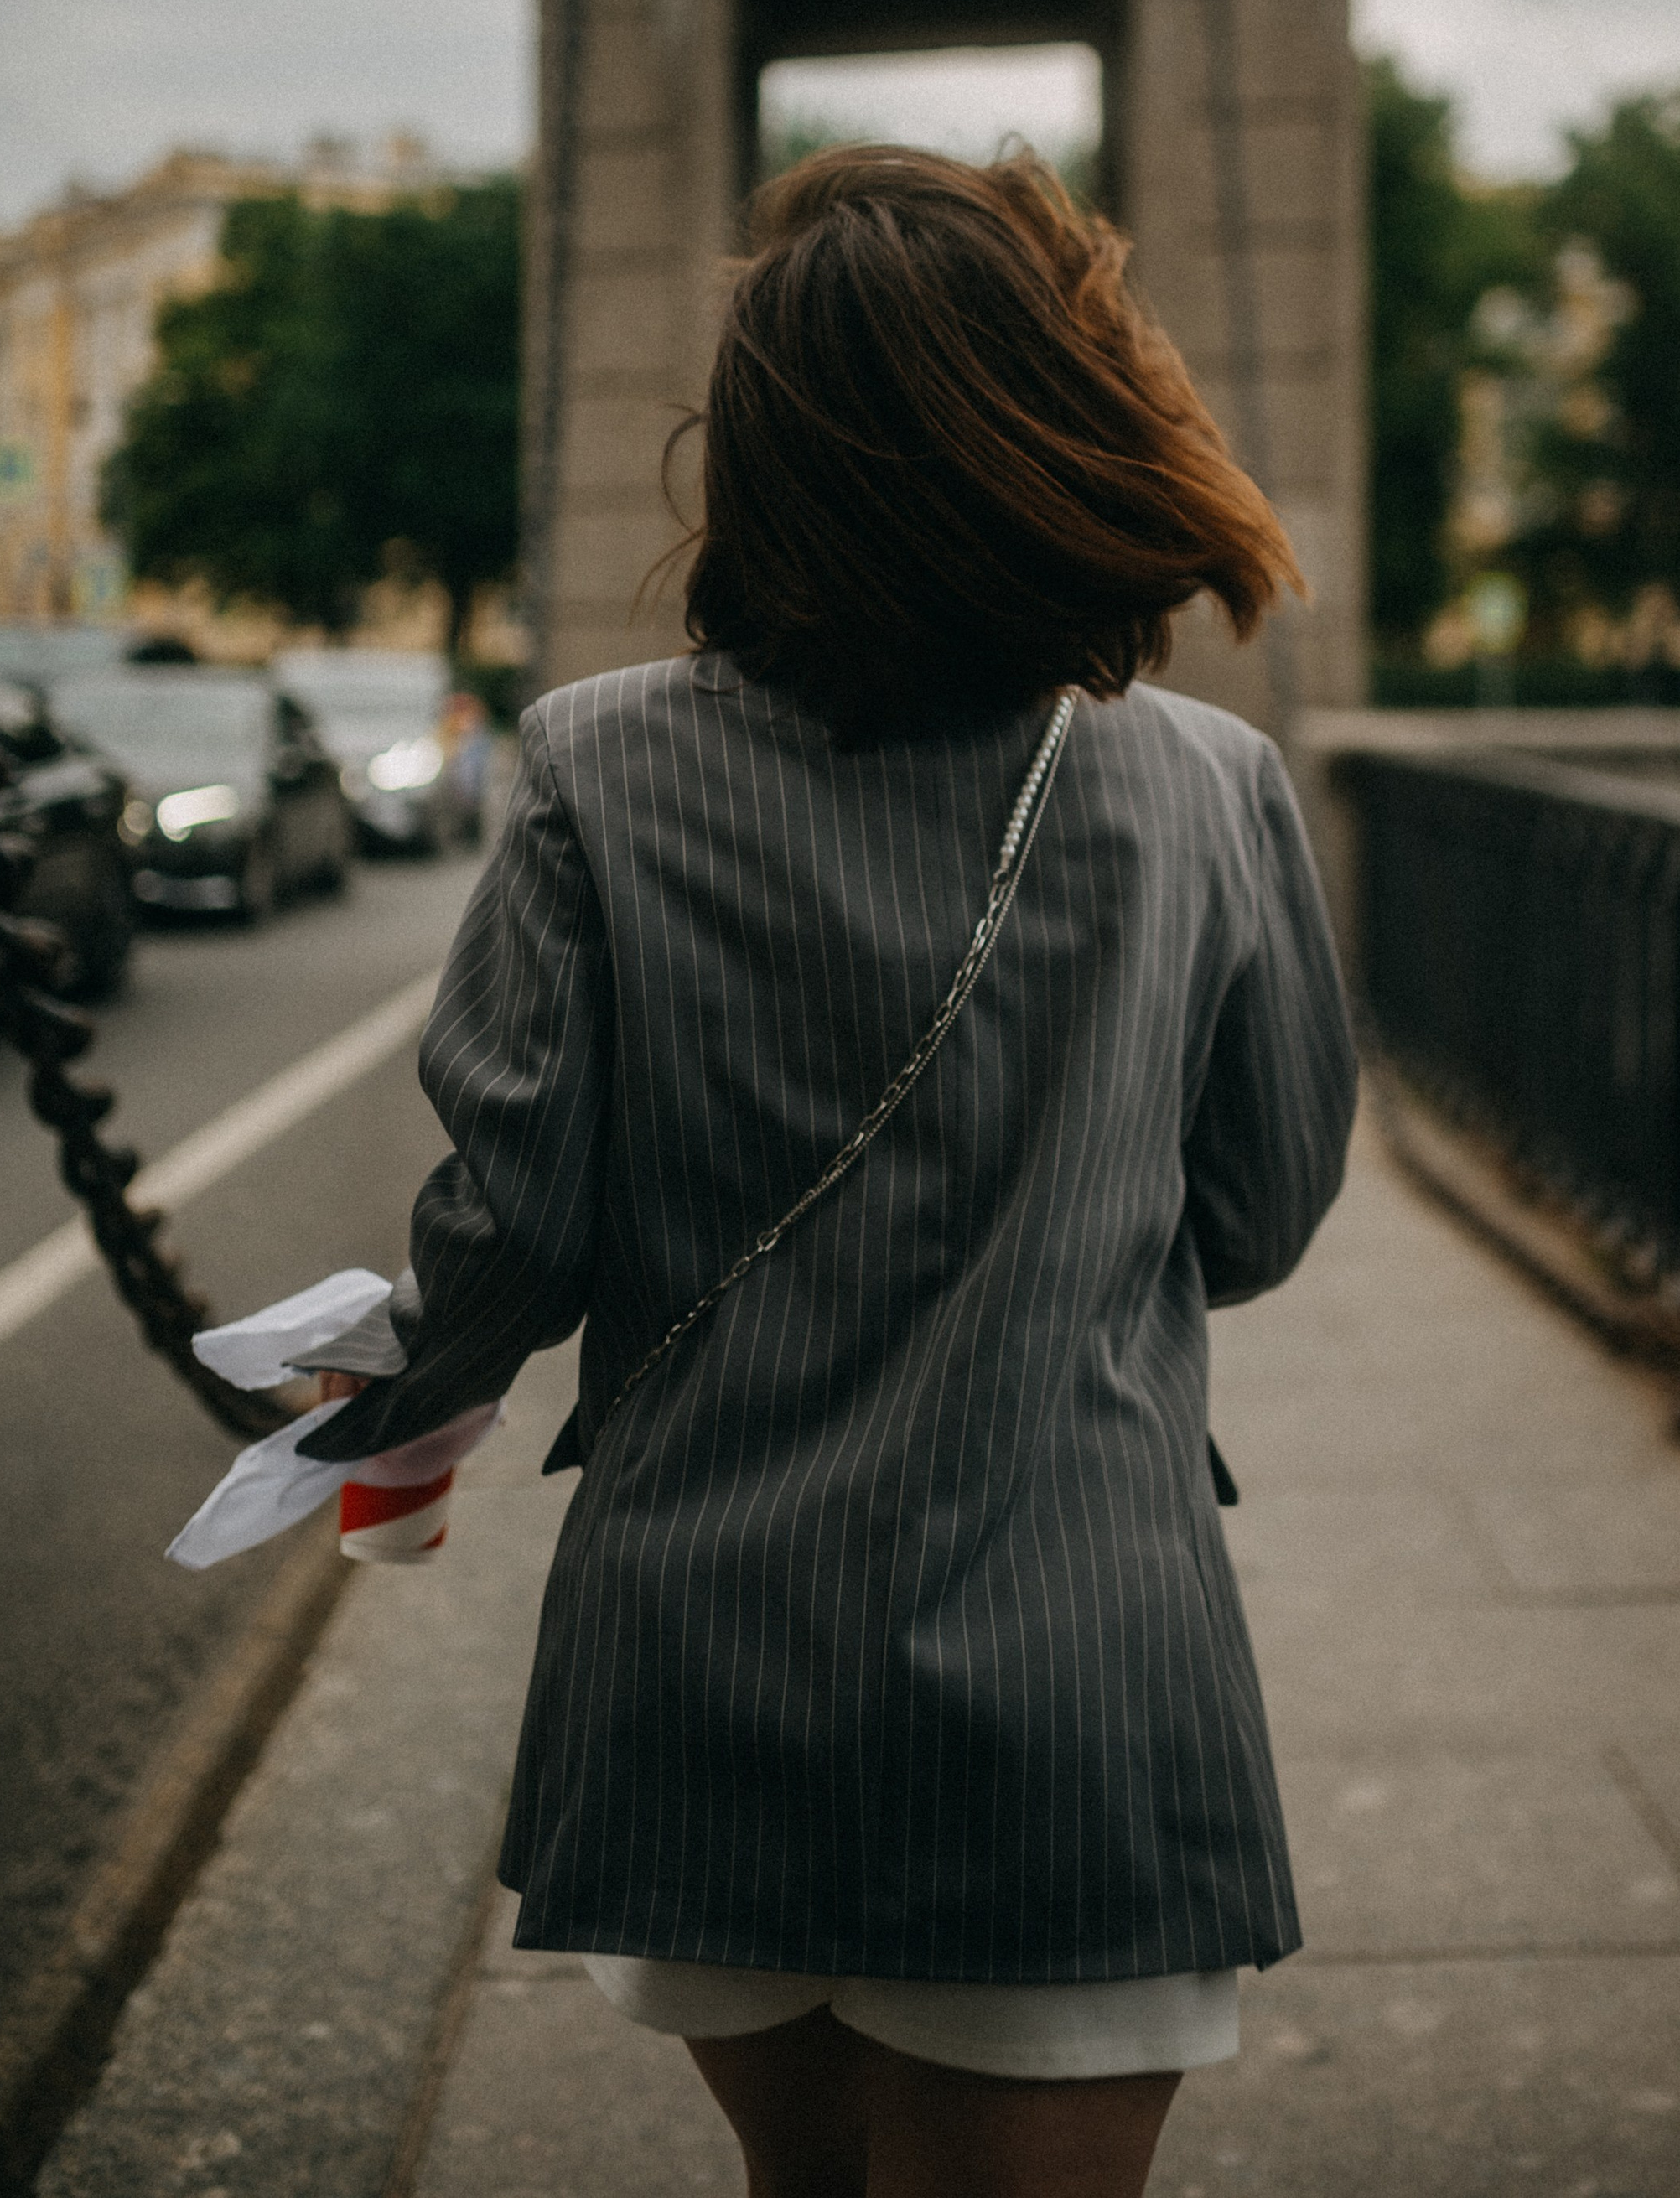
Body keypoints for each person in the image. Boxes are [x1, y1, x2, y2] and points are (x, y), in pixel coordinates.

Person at [305, 147, 1356, 2198]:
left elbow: (511, 1229)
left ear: (763, 450)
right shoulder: (1208, 790)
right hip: (1072, 1681)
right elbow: (1256, 1217)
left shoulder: (593, 765)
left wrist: (383, 1411)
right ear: (1062, 423)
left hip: (699, 1666)